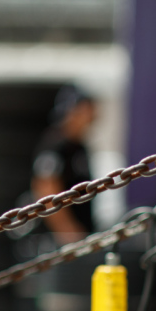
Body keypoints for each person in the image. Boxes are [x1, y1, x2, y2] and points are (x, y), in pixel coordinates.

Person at [31, 85, 98, 243]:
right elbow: (46, 190)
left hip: (81, 235)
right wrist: (68, 231)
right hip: (58, 242)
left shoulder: (79, 147)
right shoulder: (55, 146)